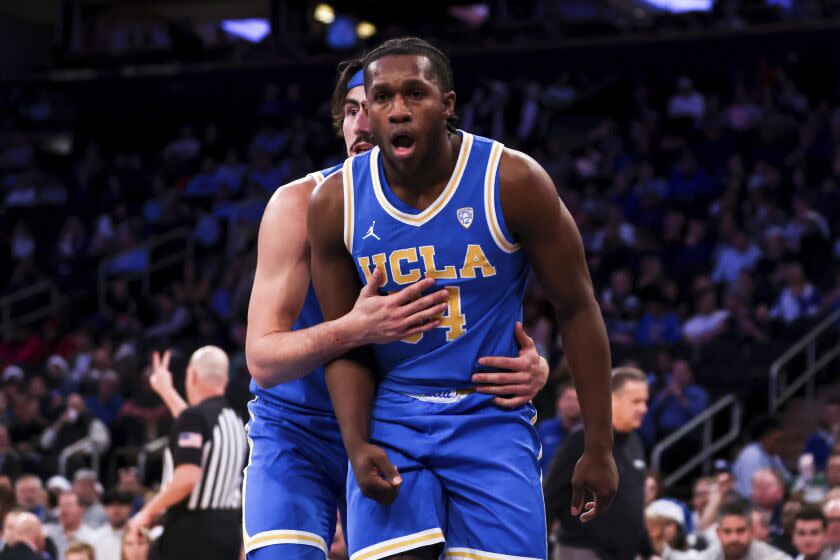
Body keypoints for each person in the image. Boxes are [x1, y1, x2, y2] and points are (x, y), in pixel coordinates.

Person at [308, 36, 617, 560]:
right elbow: (347, 339)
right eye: (382, 97)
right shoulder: (336, 201)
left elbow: (577, 305)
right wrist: (356, 443)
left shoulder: (513, 180)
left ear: (447, 105)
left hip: (490, 416)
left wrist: (599, 445)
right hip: (393, 419)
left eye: (415, 94)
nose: (398, 110)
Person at [243, 56, 548, 560]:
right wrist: (352, 330)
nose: (365, 122)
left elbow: (485, 307)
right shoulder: (302, 205)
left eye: (378, 103)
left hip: (394, 421)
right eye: (352, 109)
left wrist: (534, 366)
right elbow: (262, 360)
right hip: (300, 425)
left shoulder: (449, 196)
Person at [127, 346, 245, 560]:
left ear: (192, 376)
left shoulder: (194, 418)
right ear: (224, 381)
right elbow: (195, 426)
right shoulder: (233, 419)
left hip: (191, 535)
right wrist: (166, 390)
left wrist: (147, 513)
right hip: (229, 535)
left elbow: (187, 479)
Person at [546, 367, 651, 560]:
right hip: (582, 551)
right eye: (636, 401)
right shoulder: (582, 440)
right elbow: (551, 495)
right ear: (611, 399)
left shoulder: (636, 442)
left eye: (645, 401)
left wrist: (649, 551)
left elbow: (633, 505)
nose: (643, 408)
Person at [694, 499, 792, 560]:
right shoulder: (708, 556)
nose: (734, 538)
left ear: (751, 531)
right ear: (718, 533)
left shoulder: (772, 557)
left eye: (740, 530)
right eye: (727, 531)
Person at [732, 418, 790, 498]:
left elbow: (787, 479)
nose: (780, 445)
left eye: (782, 440)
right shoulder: (751, 455)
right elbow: (750, 493)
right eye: (777, 440)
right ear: (764, 438)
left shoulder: (773, 455)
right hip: (745, 505)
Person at [536, 383, 581, 471]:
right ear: (558, 402)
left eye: (576, 400)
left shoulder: (587, 433)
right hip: (544, 482)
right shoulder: (544, 429)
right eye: (568, 399)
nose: (572, 404)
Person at [44, 492, 96, 560]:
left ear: (82, 509)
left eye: (68, 506)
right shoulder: (47, 534)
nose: (63, 510)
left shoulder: (93, 538)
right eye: (60, 506)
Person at [89, 491, 133, 560]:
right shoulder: (95, 538)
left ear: (129, 508)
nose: (116, 510)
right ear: (104, 509)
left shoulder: (140, 535)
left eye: (121, 504)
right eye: (111, 505)